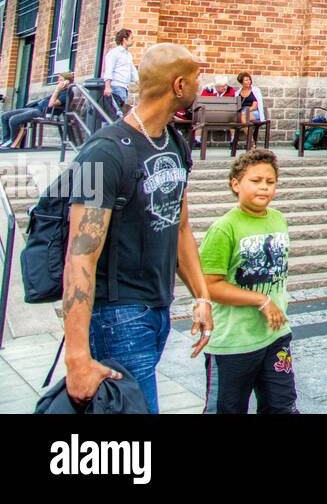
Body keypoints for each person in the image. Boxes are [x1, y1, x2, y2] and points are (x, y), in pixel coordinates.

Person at [62, 43, 213, 413]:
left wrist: (202, 295)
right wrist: (77, 357)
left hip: (158, 307)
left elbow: (179, 226)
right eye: (196, 78)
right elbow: (80, 257)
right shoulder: (102, 152)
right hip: (118, 315)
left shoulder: (175, 143)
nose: (201, 85)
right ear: (179, 85)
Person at [199, 147, 297, 413]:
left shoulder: (278, 219)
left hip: (275, 335)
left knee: (282, 405)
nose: (263, 188)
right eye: (255, 181)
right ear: (236, 184)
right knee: (228, 408)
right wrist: (260, 300)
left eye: (270, 182)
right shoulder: (224, 228)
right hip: (233, 342)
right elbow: (209, 284)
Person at [0, 72, 73, 151]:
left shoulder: (67, 93)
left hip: (43, 112)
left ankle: (12, 140)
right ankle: (6, 140)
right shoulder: (61, 91)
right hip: (36, 108)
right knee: (4, 116)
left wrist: (57, 90)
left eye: (61, 80)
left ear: (67, 82)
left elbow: (51, 104)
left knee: (14, 119)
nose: (58, 82)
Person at [101, 27, 137, 113]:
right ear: (124, 39)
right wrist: (108, 87)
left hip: (124, 87)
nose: (133, 40)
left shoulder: (128, 54)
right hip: (115, 86)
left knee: (118, 112)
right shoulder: (114, 53)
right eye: (131, 38)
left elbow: (133, 72)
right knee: (115, 113)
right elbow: (109, 70)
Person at [235, 72, 267, 146]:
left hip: (254, 112)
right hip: (242, 113)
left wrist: (245, 111)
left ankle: (251, 143)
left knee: (243, 117)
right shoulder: (238, 93)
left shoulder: (255, 90)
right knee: (242, 118)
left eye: (249, 80)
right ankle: (251, 142)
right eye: (246, 80)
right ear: (241, 82)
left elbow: (254, 106)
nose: (249, 81)